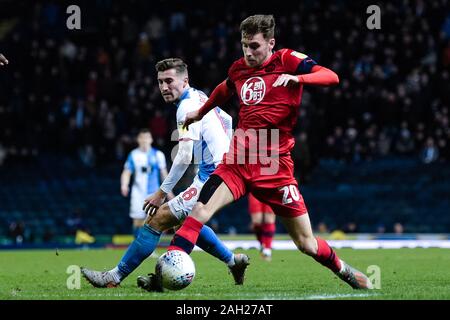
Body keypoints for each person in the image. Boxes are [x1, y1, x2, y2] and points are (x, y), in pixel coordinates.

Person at [152, 15, 373, 290]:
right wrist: (200, 111)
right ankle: (165, 274)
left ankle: (344, 270)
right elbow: (224, 89)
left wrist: (298, 78)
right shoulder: (239, 68)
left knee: (306, 243)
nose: (248, 52)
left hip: (274, 165)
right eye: (244, 45)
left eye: (254, 46)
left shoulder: (287, 60)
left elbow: (331, 76)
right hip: (239, 159)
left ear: (270, 43)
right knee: (199, 211)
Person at [81, 58, 249, 289]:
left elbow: (183, 155)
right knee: (188, 224)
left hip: (214, 176)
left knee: (157, 218)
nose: (164, 87)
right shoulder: (200, 97)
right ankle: (233, 261)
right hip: (219, 172)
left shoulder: (185, 107)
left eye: (169, 81)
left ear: (184, 81)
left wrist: (162, 192)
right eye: (160, 82)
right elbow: (228, 119)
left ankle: (116, 277)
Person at [120, 129, 170, 237]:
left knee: (155, 220)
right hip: (138, 193)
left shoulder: (158, 155)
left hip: (154, 193)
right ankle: (137, 246)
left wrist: (168, 191)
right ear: (138, 140)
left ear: (151, 139)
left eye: (147, 138)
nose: (144, 140)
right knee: (137, 221)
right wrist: (124, 185)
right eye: (142, 138)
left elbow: (164, 174)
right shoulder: (133, 155)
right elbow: (127, 172)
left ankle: (152, 249)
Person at [248, 193, 275, 261]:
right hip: (255, 188)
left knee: (269, 220)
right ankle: (263, 244)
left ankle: (267, 250)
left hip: (272, 189)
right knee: (256, 222)